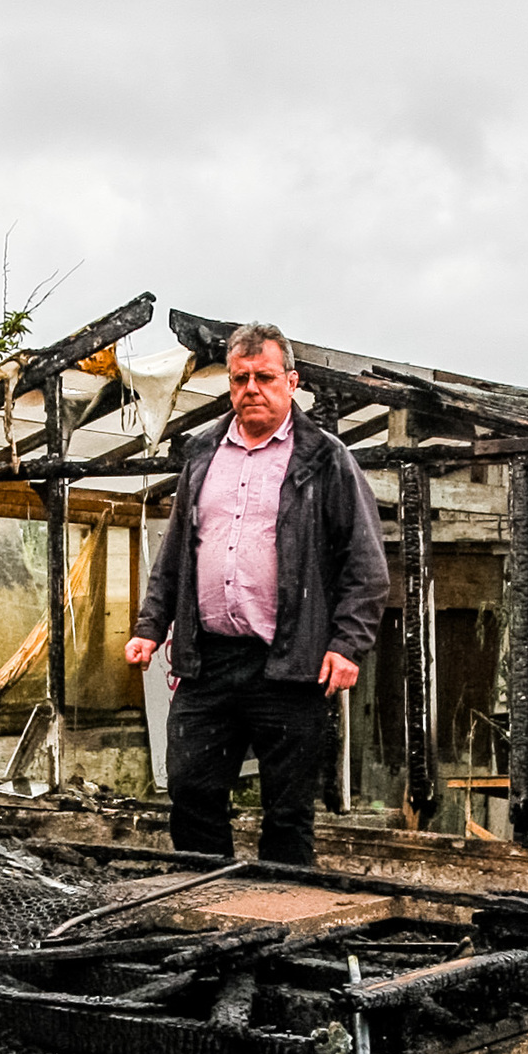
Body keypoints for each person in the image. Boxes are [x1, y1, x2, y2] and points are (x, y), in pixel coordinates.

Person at [124, 322, 389, 866]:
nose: (251, 388)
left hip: (290, 663)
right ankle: (208, 906)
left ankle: (278, 918)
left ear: (292, 382)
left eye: (264, 377)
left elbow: (366, 564)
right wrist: (150, 628)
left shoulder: (325, 458)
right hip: (209, 662)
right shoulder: (201, 455)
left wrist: (347, 644)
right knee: (192, 788)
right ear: (229, 384)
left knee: (287, 809)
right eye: (240, 378)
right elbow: (176, 553)